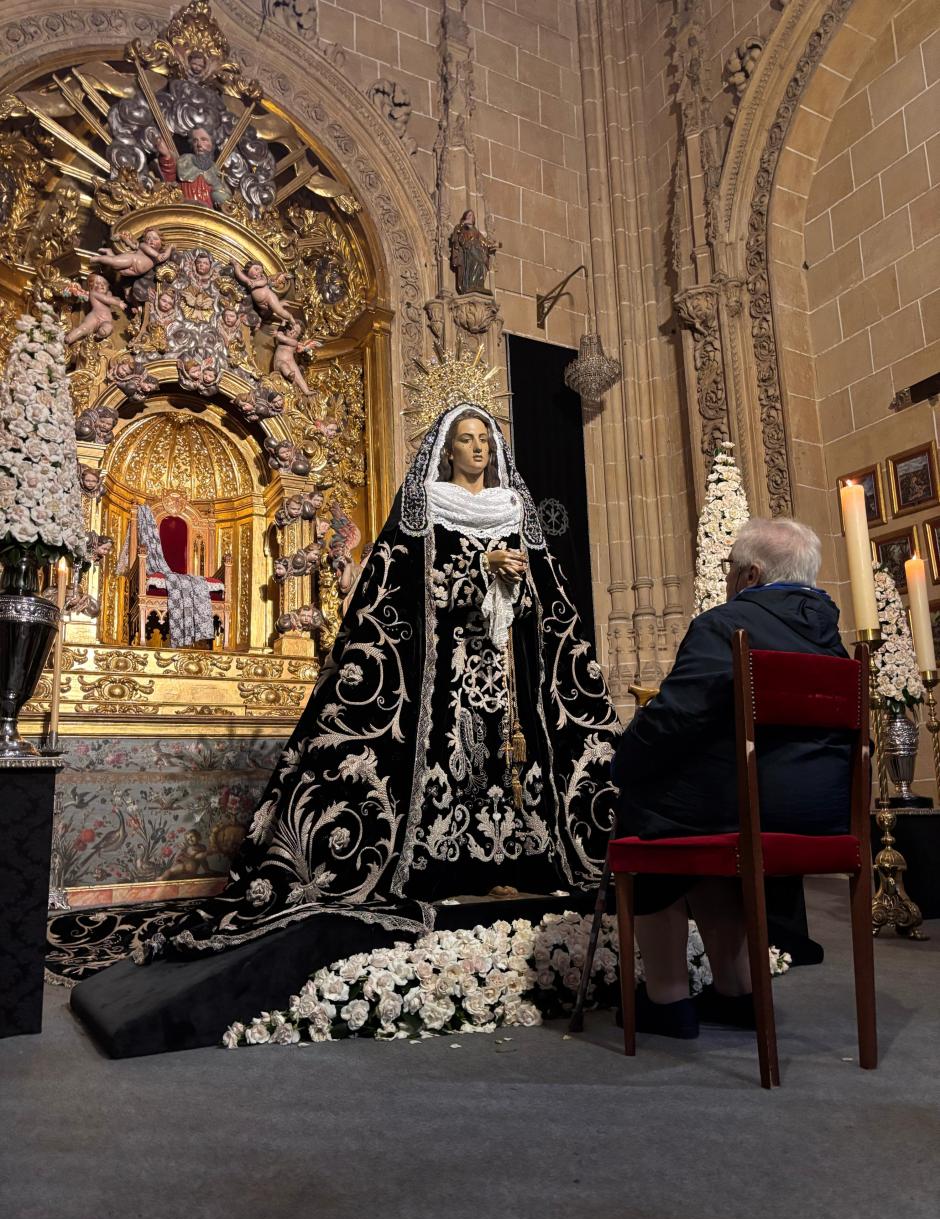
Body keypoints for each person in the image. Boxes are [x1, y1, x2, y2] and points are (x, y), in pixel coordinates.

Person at [115, 402, 620, 962]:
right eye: (467, 440)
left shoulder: (511, 511)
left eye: (485, 440)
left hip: (502, 673)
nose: (478, 448)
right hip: (438, 677)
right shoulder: (425, 509)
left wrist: (511, 586)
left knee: (497, 768)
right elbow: (401, 594)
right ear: (447, 450)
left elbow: (545, 605)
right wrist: (480, 574)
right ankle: (436, 865)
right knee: (442, 764)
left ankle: (502, 862)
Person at [611, 518, 851, 1039]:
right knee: (701, 812)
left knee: (647, 811)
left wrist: (623, 760)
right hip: (822, 815)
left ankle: (667, 998)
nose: (729, 580)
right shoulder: (833, 640)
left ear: (752, 574)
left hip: (750, 806)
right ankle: (735, 991)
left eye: (732, 570)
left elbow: (676, 718)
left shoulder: (728, 625)